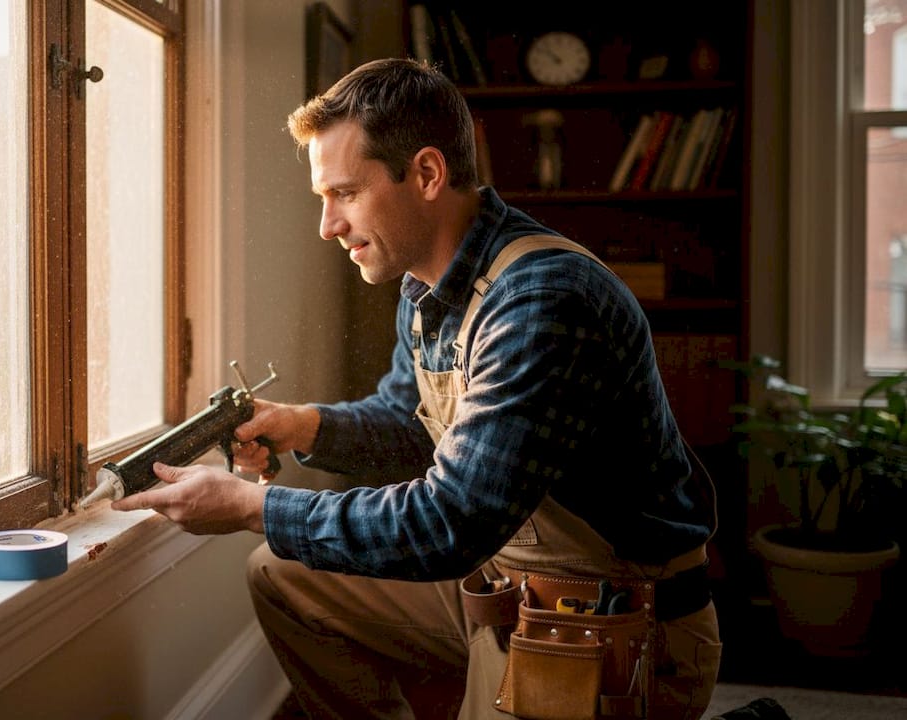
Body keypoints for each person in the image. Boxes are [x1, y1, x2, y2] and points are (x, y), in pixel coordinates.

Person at [111, 57, 721, 720]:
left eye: (344, 193)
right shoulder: (427, 287)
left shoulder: (541, 305)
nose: (328, 225)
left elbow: (448, 522)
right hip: (501, 589)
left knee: (274, 539)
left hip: (609, 625)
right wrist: (299, 424)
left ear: (427, 173)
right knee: (282, 577)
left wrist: (252, 507)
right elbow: (411, 427)